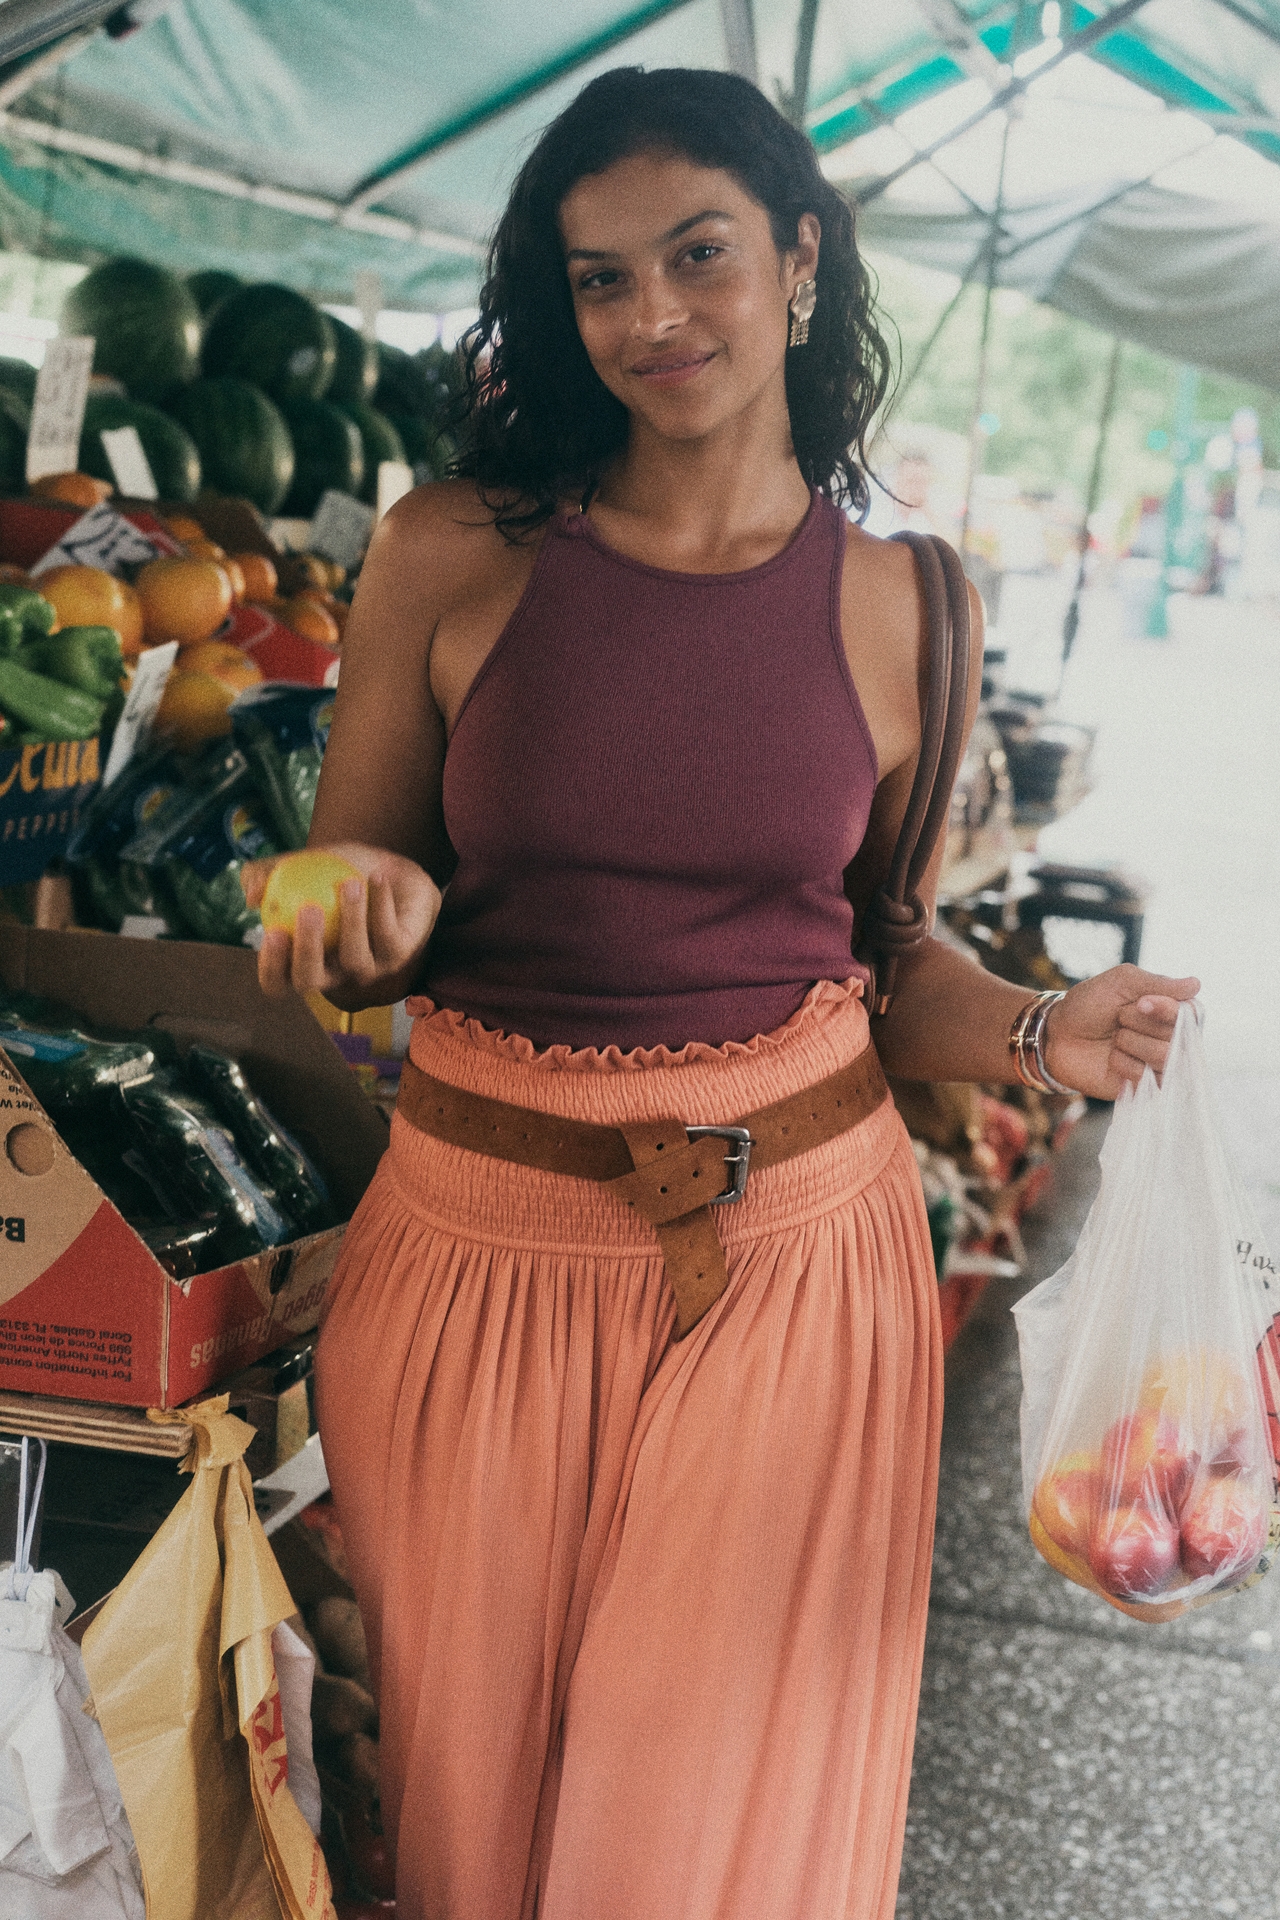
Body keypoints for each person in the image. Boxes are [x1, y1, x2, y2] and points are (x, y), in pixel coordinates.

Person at [245, 66, 1198, 1920]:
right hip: (476, 1248)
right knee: (469, 1824)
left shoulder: (913, 598)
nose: (654, 316)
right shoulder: (448, 549)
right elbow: (324, 877)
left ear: (803, 260)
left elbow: (882, 943)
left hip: (791, 1274)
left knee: (692, 1846)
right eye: (599, 279)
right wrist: (336, 895)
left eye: (699, 256)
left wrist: (1033, 1030)